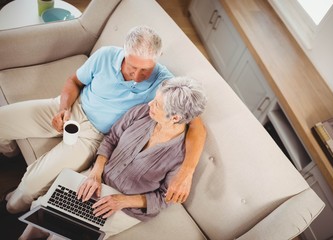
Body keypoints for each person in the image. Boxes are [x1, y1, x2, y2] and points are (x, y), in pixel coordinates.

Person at [0, 25, 206, 214]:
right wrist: (63, 109)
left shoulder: (164, 83)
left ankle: (9, 209)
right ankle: (11, 154)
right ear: (124, 53)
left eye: (146, 70)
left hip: (95, 137)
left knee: (29, 186)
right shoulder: (106, 55)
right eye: (132, 67)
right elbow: (74, 81)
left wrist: (186, 172)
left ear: (157, 60)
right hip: (73, 108)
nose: (137, 76)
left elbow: (196, 126)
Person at [19, 76, 207, 240]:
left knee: (64, 235)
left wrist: (123, 201)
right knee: (44, 211)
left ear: (175, 118)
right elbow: (112, 139)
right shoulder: (142, 112)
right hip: (98, 180)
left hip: (127, 206)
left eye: (157, 104)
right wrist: (96, 173)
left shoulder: (181, 155)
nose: (150, 104)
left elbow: (164, 198)